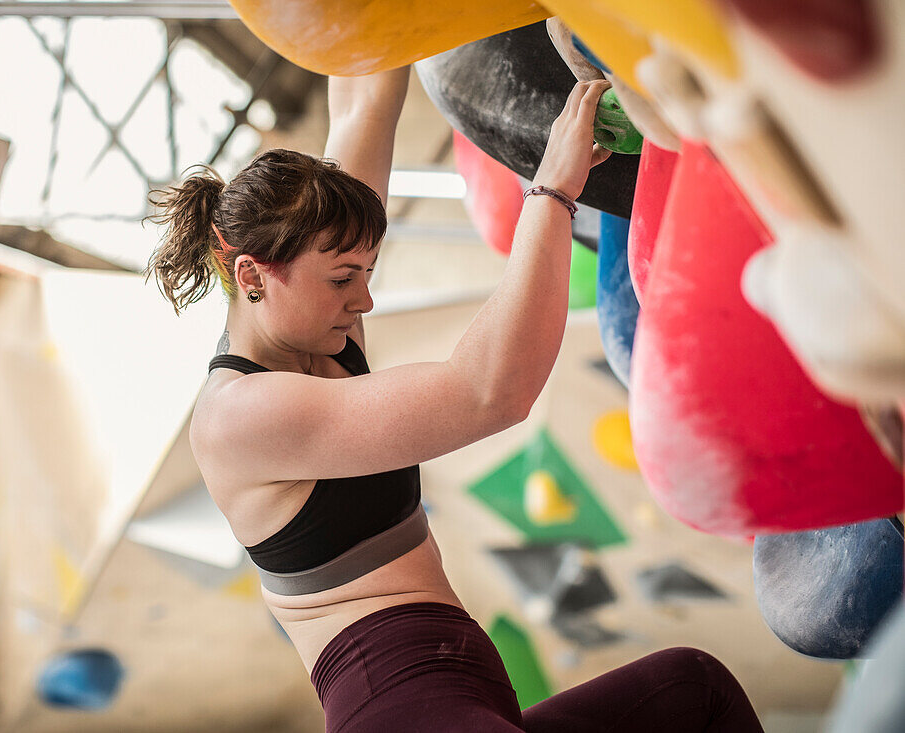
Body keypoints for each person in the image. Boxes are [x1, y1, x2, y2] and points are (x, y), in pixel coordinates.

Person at [146, 68, 763, 732]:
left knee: (693, 690)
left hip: (461, 683)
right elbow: (491, 391)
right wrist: (553, 189)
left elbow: (363, 100)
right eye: (343, 279)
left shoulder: (310, 300)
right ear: (252, 276)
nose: (364, 301)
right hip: (396, 702)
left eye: (367, 273)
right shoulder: (238, 417)